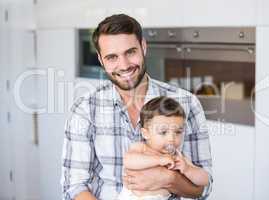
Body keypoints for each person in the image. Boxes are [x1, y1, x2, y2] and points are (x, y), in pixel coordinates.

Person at [61, 14, 212, 200]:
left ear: (143, 47)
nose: (123, 65)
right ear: (101, 60)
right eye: (112, 57)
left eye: (130, 52)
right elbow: (74, 186)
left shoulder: (187, 103)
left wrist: (169, 179)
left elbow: (204, 189)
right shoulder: (85, 109)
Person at [118, 96, 209, 200]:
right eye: (163, 132)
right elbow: (128, 161)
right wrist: (158, 160)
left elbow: (204, 180)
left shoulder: (177, 157)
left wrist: (188, 169)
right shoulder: (141, 148)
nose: (171, 138)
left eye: (178, 132)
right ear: (146, 133)